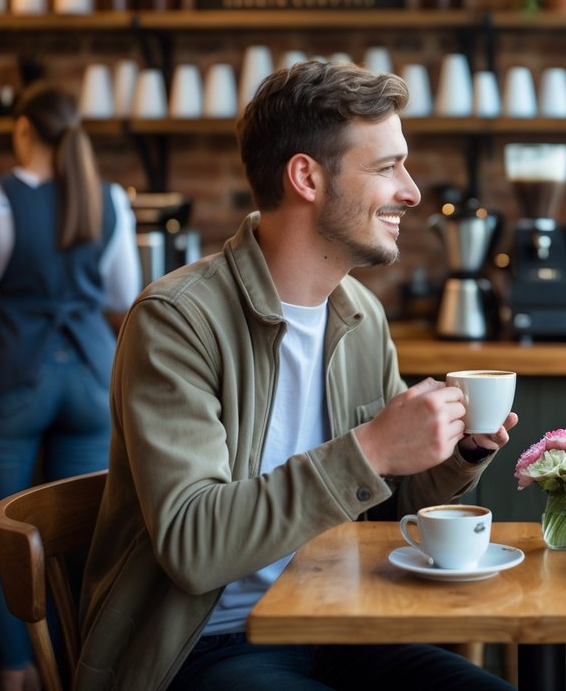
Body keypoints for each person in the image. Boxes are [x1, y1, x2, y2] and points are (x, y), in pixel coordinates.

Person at [75, 61, 517, 691]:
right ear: (307, 177)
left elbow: (390, 508)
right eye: (387, 166)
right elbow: (193, 545)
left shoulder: (361, 315)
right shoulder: (177, 320)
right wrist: (370, 449)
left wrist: (454, 454)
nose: (412, 191)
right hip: (209, 644)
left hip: (343, 624)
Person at [0, 81, 141, 691]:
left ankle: (14, 673)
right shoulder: (108, 196)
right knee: (75, 545)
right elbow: (121, 295)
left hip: (16, 376)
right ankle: (72, 672)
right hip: (89, 377)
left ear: (23, 128)